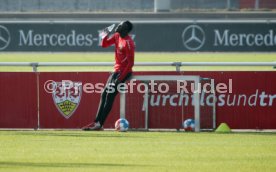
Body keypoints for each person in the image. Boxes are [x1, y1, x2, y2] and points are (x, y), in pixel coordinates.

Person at [83, 20, 135, 131]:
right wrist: (105, 34)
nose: (118, 25)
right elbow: (104, 44)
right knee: (104, 94)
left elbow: (130, 64)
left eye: (121, 25)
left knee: (109, 96)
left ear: (125, 29)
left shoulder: (129, 43)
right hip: (116, 72)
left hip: (123, 73)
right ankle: (97, 122)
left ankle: (99, 124)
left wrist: (120, 79)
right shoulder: (116, 36)